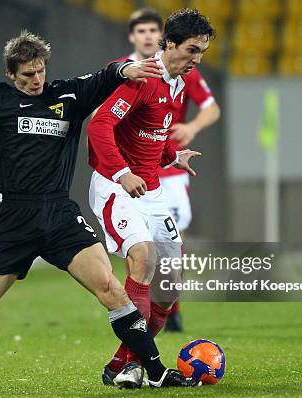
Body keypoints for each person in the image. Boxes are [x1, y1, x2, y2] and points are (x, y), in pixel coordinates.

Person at [0, 30, 201, 391]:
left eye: (40, 71)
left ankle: (154, 371)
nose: (36, 80)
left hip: (60, 214)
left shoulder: (66, 96)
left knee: (111, 288)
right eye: (27, 75)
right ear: (11, 75)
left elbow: (103, 77)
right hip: (15, 218)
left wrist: (125, 71)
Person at [87, 9, 214, 386]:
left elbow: (149, 135)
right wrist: (122, 173)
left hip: (151, 188)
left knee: (170, 285)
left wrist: (172, 156)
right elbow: (100, 124)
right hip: (114, 185)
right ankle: (142, 368)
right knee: (142, 257)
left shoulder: (176, 83)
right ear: (170, 43)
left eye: (203, 52)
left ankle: (123, 364)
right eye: (192, 50)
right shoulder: (143, 76)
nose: (197, 59)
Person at [107, 7, 221, 333]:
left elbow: (211, 109)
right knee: (142, 254)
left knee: (172, 250)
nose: (147, 36)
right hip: (129, 174)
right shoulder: (127, 72)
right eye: (141, 31)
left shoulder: (185, 73)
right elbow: (103, 121)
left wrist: (192, 129)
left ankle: (170, 311)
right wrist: (116, 169)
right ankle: (135, 344)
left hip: (168, 169)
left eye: (151, 30)